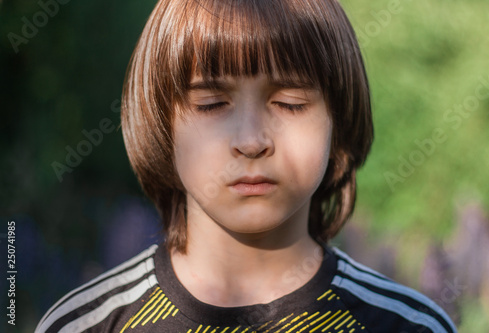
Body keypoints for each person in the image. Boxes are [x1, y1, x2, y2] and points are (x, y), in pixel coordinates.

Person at [35, 0, 457, 332]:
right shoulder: (86, 325)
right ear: (163, 124)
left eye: (289, 104)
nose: (252, 141)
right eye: (212, 104)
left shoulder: (407, 326)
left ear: (338, 122)